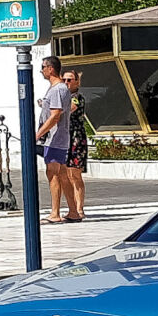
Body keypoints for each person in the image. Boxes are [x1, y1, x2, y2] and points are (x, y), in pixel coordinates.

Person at [34, 54, 82, 222]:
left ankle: (55, 213)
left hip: (55, 138)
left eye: (43, 67)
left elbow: (55, 116)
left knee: (53, 173)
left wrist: (38, 134)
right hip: (59, 137)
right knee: (62, 174)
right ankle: (73, 211)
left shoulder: (57, 90)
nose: (41, 71)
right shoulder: (60, 89)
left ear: (51, 69)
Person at [64, 68, 92, 216]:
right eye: (64, 80)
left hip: (76, 138)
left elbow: (70, 109)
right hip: (65, 138)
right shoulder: (62, 96)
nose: (66, 83)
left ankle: (79, 208)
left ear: (76, 82)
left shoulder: (77, 97)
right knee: (67, 174)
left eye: (69, 80)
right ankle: (72, 208)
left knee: (75, 174)